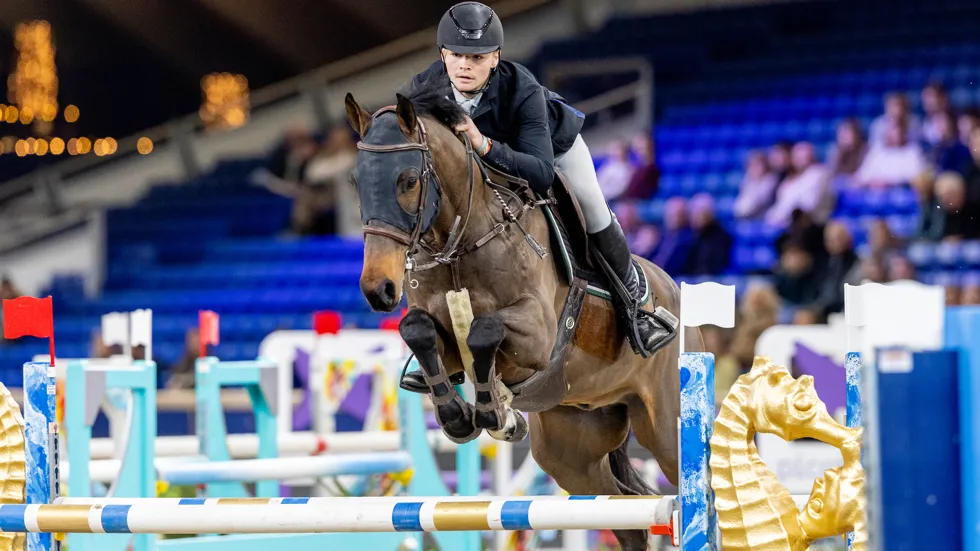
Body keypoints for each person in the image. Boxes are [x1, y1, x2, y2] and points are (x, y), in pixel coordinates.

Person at [398, 2, 676, 393]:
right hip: (478, 169)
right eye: (457, 55)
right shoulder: (422, 90)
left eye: (476, 57)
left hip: (548, 150)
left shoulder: (521, 88)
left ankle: (635, 305)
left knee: (592, 205)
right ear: (443, 54)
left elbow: (541, 173)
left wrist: (483, 144)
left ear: (494, 58)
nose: (464, 65)